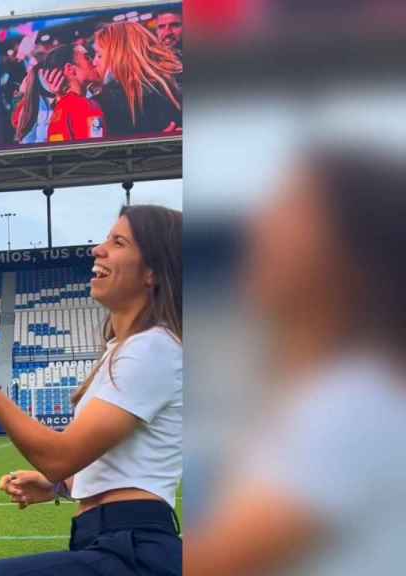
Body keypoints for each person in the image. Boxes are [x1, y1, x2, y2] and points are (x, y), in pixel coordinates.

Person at [0, 205, 182, 575]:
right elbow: (112, 466)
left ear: (152, 272)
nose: (98, 249)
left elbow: (59, 456)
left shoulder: (153, 347)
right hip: (113, 543)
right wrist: (57, 486)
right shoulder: (127, 350)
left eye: (118, 241)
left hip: (133, 550)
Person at [184, 151, 406, 576]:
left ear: (352, 251)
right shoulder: (333, 391)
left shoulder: (356, 402)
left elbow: (213, 562)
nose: (259, 227)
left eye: (293, 211)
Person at [91, 22, 182, 137]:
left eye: (99, 55)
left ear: (119, 56)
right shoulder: (169, 84)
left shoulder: (110, 101)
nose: (94, 62)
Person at [46, 41, 105, 143]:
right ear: (70, 69)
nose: (94, 62)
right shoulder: (86, 106)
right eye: (87, 58)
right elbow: (95, 149)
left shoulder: (58, 109)